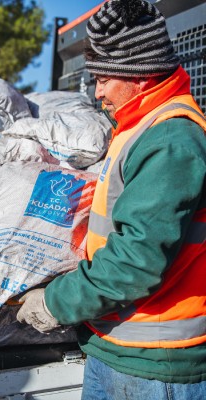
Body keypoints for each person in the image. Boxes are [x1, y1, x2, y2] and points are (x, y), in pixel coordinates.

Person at [16, 0, 206, 398]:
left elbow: (136, 261)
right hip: (120, 346)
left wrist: (55, 302)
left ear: (139, 75)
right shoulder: (137, 126)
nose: (97, 91)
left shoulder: (171, 140)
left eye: (105, 78)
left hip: (154, 364)